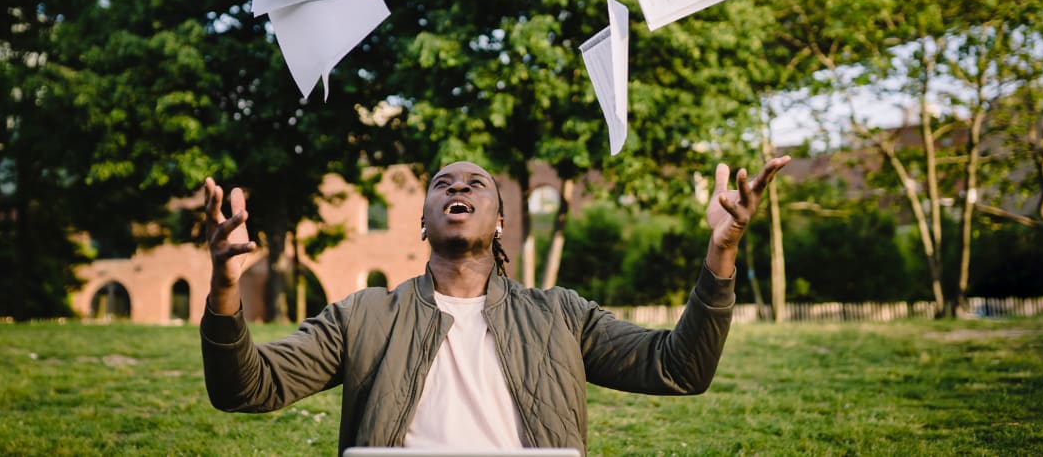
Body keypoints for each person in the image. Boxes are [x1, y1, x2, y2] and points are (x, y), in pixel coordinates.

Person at [200, 156, 790, 455]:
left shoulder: (561, 314)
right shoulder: (363, 315)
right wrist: (226, 285)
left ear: (501, 222)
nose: (457, 187)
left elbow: (678, 368)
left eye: (475, 183)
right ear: (423, 223)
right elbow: (245, 389)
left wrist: (722, 251)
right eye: (442, 183)